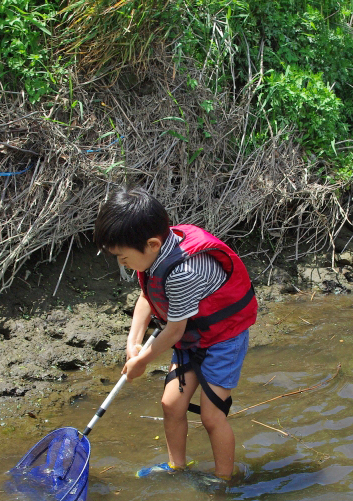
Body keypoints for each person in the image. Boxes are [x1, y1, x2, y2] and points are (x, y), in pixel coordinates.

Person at [93, 187, 257, 480]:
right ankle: (176, 466)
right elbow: (147, 297)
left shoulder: (182, 272)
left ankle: (223, 481)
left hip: (222, 341)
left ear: (153, 244)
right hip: (191, 338)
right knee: (171, 404)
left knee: (211, 415)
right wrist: (134, 344)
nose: (121, 263)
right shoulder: (153, 254)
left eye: (122, 257)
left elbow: (175, 329)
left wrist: (143, 362)